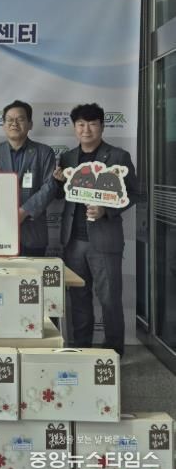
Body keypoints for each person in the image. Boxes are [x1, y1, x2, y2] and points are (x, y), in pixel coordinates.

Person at [53, 103, 139, 356]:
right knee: (78, 298)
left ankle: (113, 351)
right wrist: (58, 182)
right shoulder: (68, 158)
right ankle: (81, 348)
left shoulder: (118, 157)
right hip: (74, 241)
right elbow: (62, 195)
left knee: (110, 299)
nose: (86, 129)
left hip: (104, 240)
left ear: (102, 126)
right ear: (74, 128)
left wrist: (107, 210)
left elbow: (135, 193)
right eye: (81, 124)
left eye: (92, 124)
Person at [0, 100, 57, 256]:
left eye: (20, 119)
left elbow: (49, 187)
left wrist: (24, 211)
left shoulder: (44, 152)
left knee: (32, 272)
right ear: (3, 125)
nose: (14, 124)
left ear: (30, 124)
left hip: (33, 233)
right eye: (9, 120)